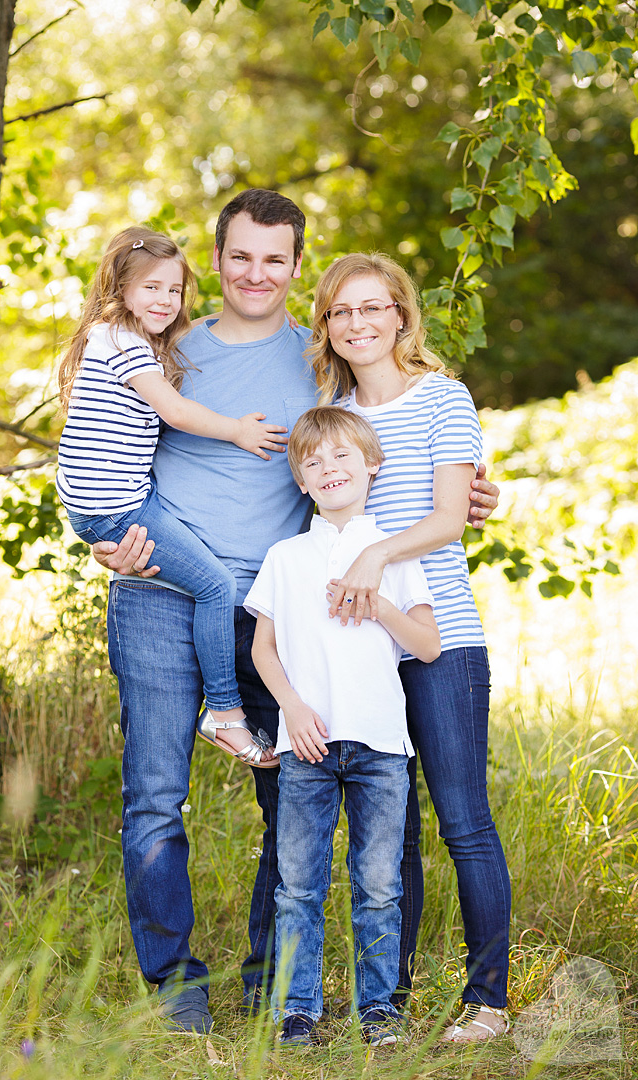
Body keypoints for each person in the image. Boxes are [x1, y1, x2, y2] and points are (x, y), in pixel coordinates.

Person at [90, 189, 500, 1034]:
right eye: (240, 256)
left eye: (274, 259)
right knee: (156, 798)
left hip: (283, 609)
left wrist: (475, 498)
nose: (256, 273)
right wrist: (108, 536)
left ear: (296, 267)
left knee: (297, 800)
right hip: (163, 595)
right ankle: (175, 991)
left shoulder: (325, 373)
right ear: (217, 259)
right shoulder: (169, 352)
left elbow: (377, 459)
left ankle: (279, 987)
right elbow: (106, 447)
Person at [308, 253, 511, 1042]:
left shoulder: (442, 398)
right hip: (361, 653)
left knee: (463, 819)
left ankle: (487, 1000)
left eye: (371, 308)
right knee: (390, 834)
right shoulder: (329, 411)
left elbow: (449, 518)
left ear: (400, 315)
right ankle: (385, 998)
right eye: (339, 312)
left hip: (440, 643)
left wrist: (374, 555)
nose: (356, 324)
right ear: (326, 326)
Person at [246, 406, 440, 1048]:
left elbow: (429, 646)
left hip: (382, 743)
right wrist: (292, 709)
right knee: (297, 883)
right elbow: (263, 650)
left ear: (371, 466)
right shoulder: (285, 555)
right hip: (307, 743)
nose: (328, 468)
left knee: (379, 882)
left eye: (342, 457)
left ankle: (378, 1007)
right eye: (313, 461)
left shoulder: (393, 549)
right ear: (300, 480)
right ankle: (296, 1007)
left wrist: (379, 601)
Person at [56, 225, 283, 766]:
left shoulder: (117, 339)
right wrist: (236, 430)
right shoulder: (124, 341)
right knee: (214, 585)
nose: (165, 300)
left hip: (120, 499)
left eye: (174, 290)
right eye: (151, 288)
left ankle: (226, 712)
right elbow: (175, 413)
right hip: (119, 509)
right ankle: (225, 714)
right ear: (120, 290)